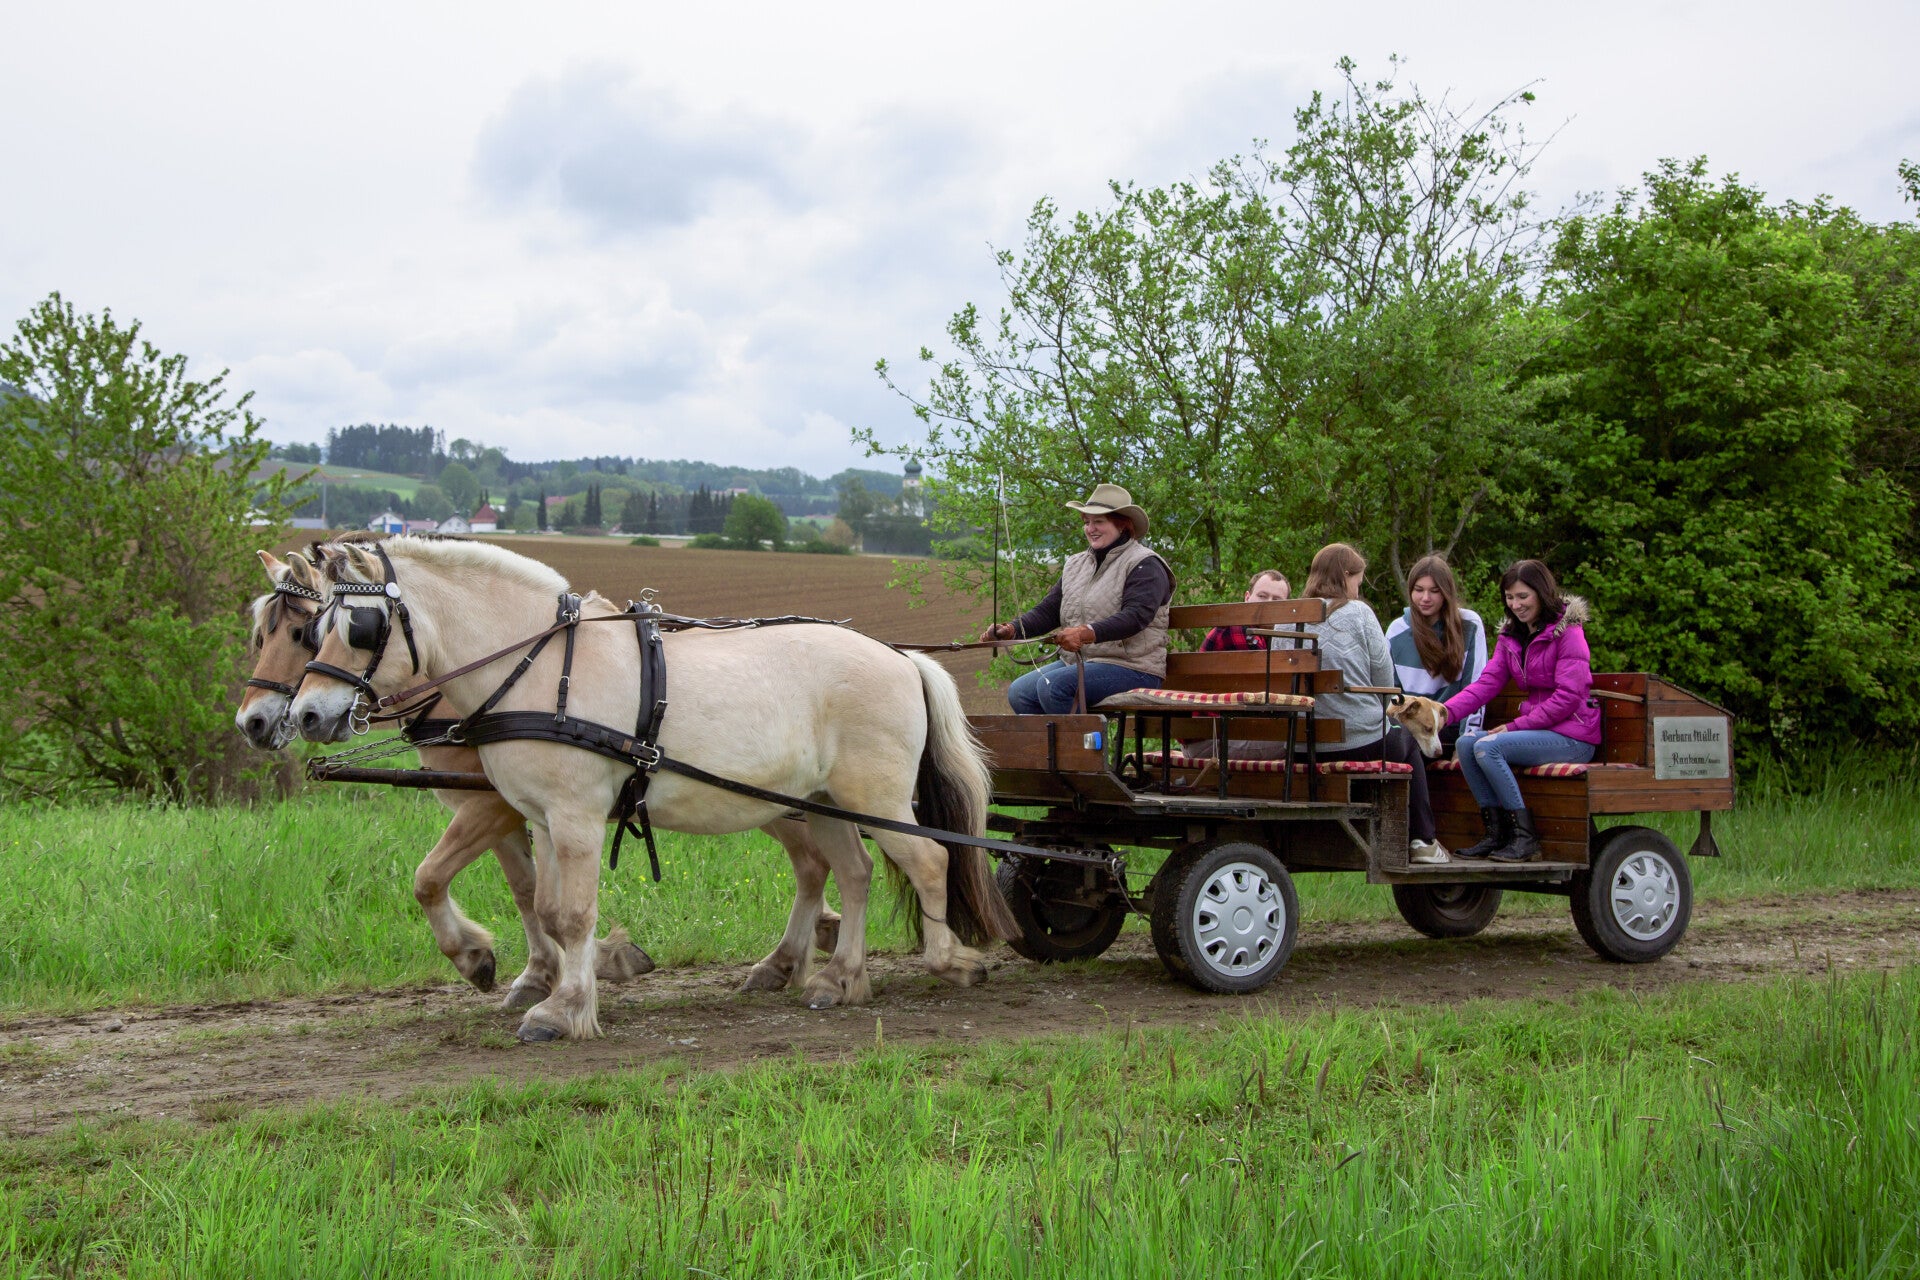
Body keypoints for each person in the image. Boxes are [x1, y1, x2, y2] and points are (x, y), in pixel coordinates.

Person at [1289, 543, 1445, 864]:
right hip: (1357, 742)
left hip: (1299, 745)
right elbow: (1385, 684)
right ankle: (1424, 841)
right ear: (1346, 576)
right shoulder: (1359, 613)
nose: (1358, 590)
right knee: (1408, 742)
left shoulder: (1287, 617)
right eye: (1358, 582)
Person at [1440, 560, 1601, 863]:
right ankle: (1496, 834)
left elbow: (1568, 697)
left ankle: (1524, 839)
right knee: (1466, 743)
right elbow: (1487, 683)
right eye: (1510, 597)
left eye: (1523, 596)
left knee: (1489, 747)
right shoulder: (1511, 637)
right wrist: (1445, 713)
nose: (1516, 605)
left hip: (1573, 735)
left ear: (1542, 592)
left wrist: (1515, 726)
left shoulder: (1568, 632)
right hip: (1538, 730)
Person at [983, 483, 1174, 714]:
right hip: (1079, 663)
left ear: (1122, 524)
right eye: (1086, 522)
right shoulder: (1076, 564)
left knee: (1054, 687)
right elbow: (1049, 611)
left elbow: (1135, 617)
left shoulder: (1144, 564)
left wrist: (1085, 633)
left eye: (1098, 521)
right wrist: (1011, 630)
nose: (1090, 529)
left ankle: (1088, 738)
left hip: (1133, 667)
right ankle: (1054, 740)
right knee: (1020, 692)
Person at [1385, 555, 1489, 751]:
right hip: (1411, 733)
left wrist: (1466, 744)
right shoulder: (1396, 630)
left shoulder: (1470, 625)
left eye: (1434, 591)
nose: (1425, 598)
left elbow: (1476, 687)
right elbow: (1392, 695)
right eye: (1419, 590)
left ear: (1446, 593)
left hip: (1451, 731)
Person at [1200, 569, 1290, 651]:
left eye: (1277, 600)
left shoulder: (1272, 637)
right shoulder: (1237, 626)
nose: (1269, 604)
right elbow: (1262, 662)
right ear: (1247, 598)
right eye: (1262, 596)